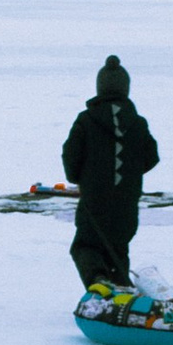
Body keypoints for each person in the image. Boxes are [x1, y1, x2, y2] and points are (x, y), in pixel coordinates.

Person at [61, 53, 159, 294]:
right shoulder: (137, 122)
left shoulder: (86, 120)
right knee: (117, 248)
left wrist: (79, 178)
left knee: (85, 246)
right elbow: (151, 156)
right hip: (127, 200)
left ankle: (100, 285)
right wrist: (129, 175)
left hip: (95, 199)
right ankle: (121, 291)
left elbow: (70, 155)